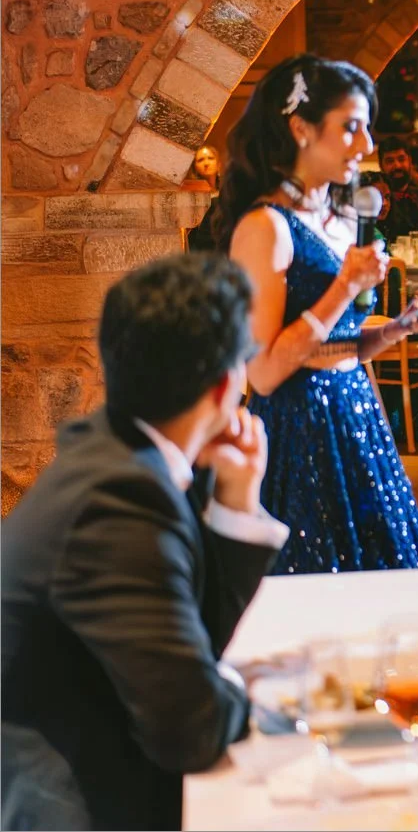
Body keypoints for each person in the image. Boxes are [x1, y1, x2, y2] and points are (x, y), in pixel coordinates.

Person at [0, 254, 280, 831]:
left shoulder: (116, 450)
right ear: (225, 385)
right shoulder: (120, 500)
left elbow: (192, 636)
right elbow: (192, 731)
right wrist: (256, 692)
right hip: (87, 803)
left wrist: (236, 498)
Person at [215, 54, 418, 574]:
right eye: (351, 128)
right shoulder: (265, 227)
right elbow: (265, 372)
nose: (366, 146)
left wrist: (395, 330)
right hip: (299, 428)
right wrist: (345, 286)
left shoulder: (340, 219)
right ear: (301, 128)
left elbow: (333, 347)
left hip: (355, 411)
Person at [378, 136, 418, 236]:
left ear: (410, 161)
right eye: (390, 161)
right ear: (381, 166)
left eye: (401, 159)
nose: (397, 166)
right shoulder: (376, 202)